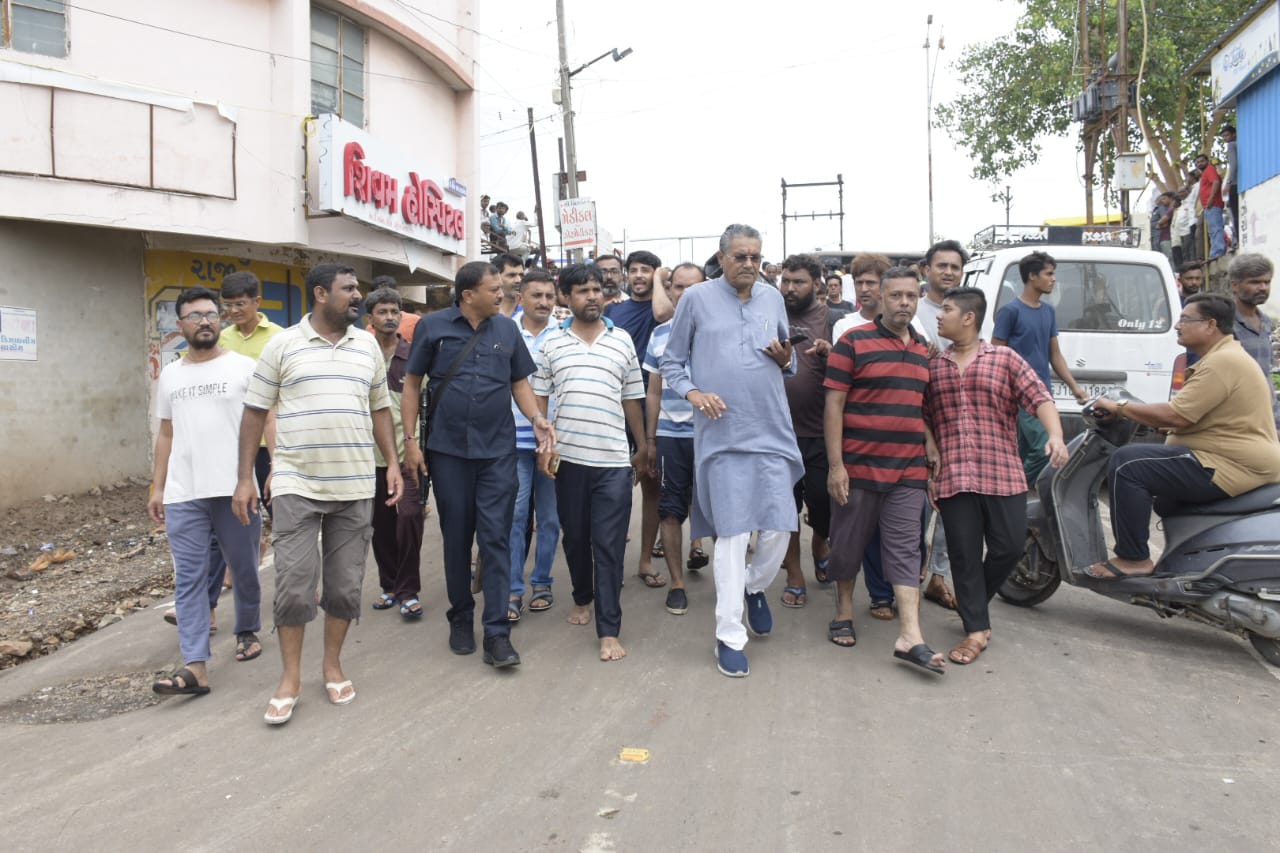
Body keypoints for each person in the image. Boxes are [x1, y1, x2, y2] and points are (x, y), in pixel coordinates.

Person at [233, 264, 402, 725]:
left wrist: (392, 464)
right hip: (297, 483)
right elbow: (254, 411)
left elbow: (380, 409)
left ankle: (332, 665)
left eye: (358, 289)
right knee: (293, 586)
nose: (357, 296)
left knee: (345, 587)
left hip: (355, 483)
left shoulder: (366, 345)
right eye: (349, 289)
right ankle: (289, 678)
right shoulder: (283, 344)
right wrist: (246, 478)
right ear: (322, 294)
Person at [661, 223, 804, 678]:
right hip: (721, 434)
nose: (749, 264)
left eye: (755, 257)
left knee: (780, 527)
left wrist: (786, 358)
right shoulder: (696, 299)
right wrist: (694, 393)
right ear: (721, 258)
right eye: (740, 256)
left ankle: (754, 586)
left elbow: (788, 359)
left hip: (771, 429)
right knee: (733, 533)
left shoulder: (772, 298)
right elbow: (671, 362)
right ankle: (729, 635)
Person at [400, 261, 553, 667]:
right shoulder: (432, 327)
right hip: (448, 452)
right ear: (468, 295)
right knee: (456, 537)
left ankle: (497, 633)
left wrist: (536, 418)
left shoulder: (507, 330)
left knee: (496, 537)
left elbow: (519, 382)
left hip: (498, 453)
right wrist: (411, 442)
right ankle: (461, 618)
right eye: (494, 289)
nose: (502, 295)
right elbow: (412, 384)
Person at [1090, 293, 1280, 578]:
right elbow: (1201, 415)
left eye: (1185, 319)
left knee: (1128, 464)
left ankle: (1133, 559)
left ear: (1210, 325)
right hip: (1229, 458)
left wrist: (1120, 407)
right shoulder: (1223, 357)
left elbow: (1176, 415)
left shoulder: (1223, 362)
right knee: (1163, 495)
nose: (1177, 325)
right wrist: (1162, 423)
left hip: (1231, 464)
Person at [924, 286, 1067, 667]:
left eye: (947, 309)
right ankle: (976, 630)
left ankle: (973, 603)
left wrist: (1055, 435)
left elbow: (1040, 398)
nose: (939, 315)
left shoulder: (1004, 359)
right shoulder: (934, 367)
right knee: (964, 554)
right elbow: (922, 415)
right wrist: (930, 448)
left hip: (1001, 470)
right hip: (954, 474)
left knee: (1009, 546)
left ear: (969, 317)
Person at [824, 267, 946, 673]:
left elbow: (918, 404)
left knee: (906, 548)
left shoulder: (923, 350)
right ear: (881, 297)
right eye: (896, 296)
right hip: (858, 466)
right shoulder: (852, 342)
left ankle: (911, 636)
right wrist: (836, 466)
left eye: (911, 296)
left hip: (908, 469)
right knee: (847, 544)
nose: (904, 303)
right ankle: (844, 610)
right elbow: (833, 406)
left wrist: (929, 440)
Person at [149, 286, 263, 697]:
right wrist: (158, 486)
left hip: (235, 488)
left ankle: (247, 628)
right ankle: (196, 665)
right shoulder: (170, 374)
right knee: (189, 577)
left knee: (244, 567)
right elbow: (166, 433)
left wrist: (266, 473)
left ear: (220, 320)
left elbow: (267, 421)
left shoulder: (244, 368)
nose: (205, 321)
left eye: (211, 314)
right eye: (195, 315)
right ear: (180, 325)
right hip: (184, 493)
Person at [533, 263, 646, 661]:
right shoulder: (551, 344)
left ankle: (608, 629)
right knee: (576, 538)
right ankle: (582, 597)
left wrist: (643, 446)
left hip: (613, 460)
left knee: (609, 545)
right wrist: (544, 446)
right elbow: (540, 398)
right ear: (566, 297)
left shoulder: (622, 340)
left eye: (596, 289)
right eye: (582, 291)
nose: (593, 296)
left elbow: (632, 397)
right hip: (569, 460)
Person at [830, 253, 899, 620]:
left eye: (872, 282)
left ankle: (882, 594)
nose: (865, 289)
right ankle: (845, 607)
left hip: (900, 447)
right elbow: (838, 395)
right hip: (858, 443)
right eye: (860, 283)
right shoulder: (846, 327)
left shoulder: (910, 325)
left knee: (893, 530)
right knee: (855, 528)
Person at [604, 251, 674, 591]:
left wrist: (659, 279)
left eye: (646, 270)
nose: (638, 275)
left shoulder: (666, 307)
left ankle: (645, 560)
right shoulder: (613, 310)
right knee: (613, 488)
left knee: (652, 486)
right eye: (633, 270)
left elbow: (662, 313)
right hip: (616, 406)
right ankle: (609, 561)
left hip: (653, 404)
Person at [644, 262, 709, 615]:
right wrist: (651, 440)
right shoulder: (659, 335)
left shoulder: (717, 330)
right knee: (670, 509)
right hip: (670, 436)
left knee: (721, 508)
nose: (684, 293)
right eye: (678, 286)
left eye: (692, 286)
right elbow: (654, 391)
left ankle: (733, 583)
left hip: (712, 434)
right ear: (669, 291)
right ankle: (677, 583)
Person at [991, 251, 1088, 487]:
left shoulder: (1048, 311)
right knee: (1042, 447)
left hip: (1043, 393)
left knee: (1023, 451)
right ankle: (1014, 488)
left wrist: (1075, 387)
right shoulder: (1010, 311)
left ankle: (1011, 492)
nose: (1053, 279)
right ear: (1032, 276)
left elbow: (1054, 355)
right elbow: (996, 355)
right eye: (1048, 274)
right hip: (1019, 395)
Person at [913, 240, 970, 611]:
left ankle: (938, 576)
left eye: (955, 267)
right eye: (942, 265)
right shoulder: (913, 309)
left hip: (956, 422)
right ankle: (911, 568)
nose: (948, 272)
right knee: (917, 505)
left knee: (954, 507)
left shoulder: (970, 310)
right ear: (926, 270)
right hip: (917, 419)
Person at [777, 254, 834, 609]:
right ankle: (795, 575)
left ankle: (821, 541)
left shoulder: (833, 318)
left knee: (823, 503)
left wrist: (831, 353)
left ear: (816, 283)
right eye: (785, 280)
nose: (789, 288)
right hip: (778, 433)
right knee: (784, 509)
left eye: (798, 282)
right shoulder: (770, 313)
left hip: (820, 433)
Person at [364, 287, 425, 619]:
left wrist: (420, 447)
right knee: (382, 525)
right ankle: (389, 586)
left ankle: (408, 590)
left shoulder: (414, 355)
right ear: (369, 318)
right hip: (370, 458)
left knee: (410, 518)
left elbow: (426, 404)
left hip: (406, 455)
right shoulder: (360, 354)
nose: (390, 317)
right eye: (383, 312)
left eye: (394, 312)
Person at [507, 270, 562, 618]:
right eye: (536, 295)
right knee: (515, 516)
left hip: (554, 443)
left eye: (549, 296)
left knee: (551, 517)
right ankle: (512, 590)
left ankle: (542, 581)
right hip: (512, 440)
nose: (543, 302)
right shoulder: (504, 331)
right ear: (520, 298)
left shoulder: (565, 333)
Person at [1228, 254, 1280, 429]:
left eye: (1267, 282)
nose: (1263, 287)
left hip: (1269, 416)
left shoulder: (1266, 322)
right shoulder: (1224, 323)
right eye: (1255, 282)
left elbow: (1266, 374)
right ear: (1235, 285)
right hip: (1240, 420)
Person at [1195, 154, 1226, 260]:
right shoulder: (1205, 173)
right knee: (1212, 230)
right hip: (1208, 206)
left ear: (1207, 161)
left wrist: (1211, 198)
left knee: (1216, 228)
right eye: (1198, 162)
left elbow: (1216, 182)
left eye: (1202, 161)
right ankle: (1214, 253)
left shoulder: (1209, 169)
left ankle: (1218, 251)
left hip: (1213, 204)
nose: (1200, 164)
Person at [493, 252, 525, 318]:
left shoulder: (529, 313)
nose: (519, 280)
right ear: (496, 277)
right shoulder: (483, 314)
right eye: (512, 275)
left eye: (521, 275)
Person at [1221, 124, 1238, 237]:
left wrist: (1228, 183)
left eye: (1227, 135)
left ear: (1233, 134)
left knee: (1235, 215)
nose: (1225, 138)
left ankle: (1238, 239)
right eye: (1223, 136)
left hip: (1234, 184)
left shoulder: (1231, 145)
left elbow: (1233, 165)